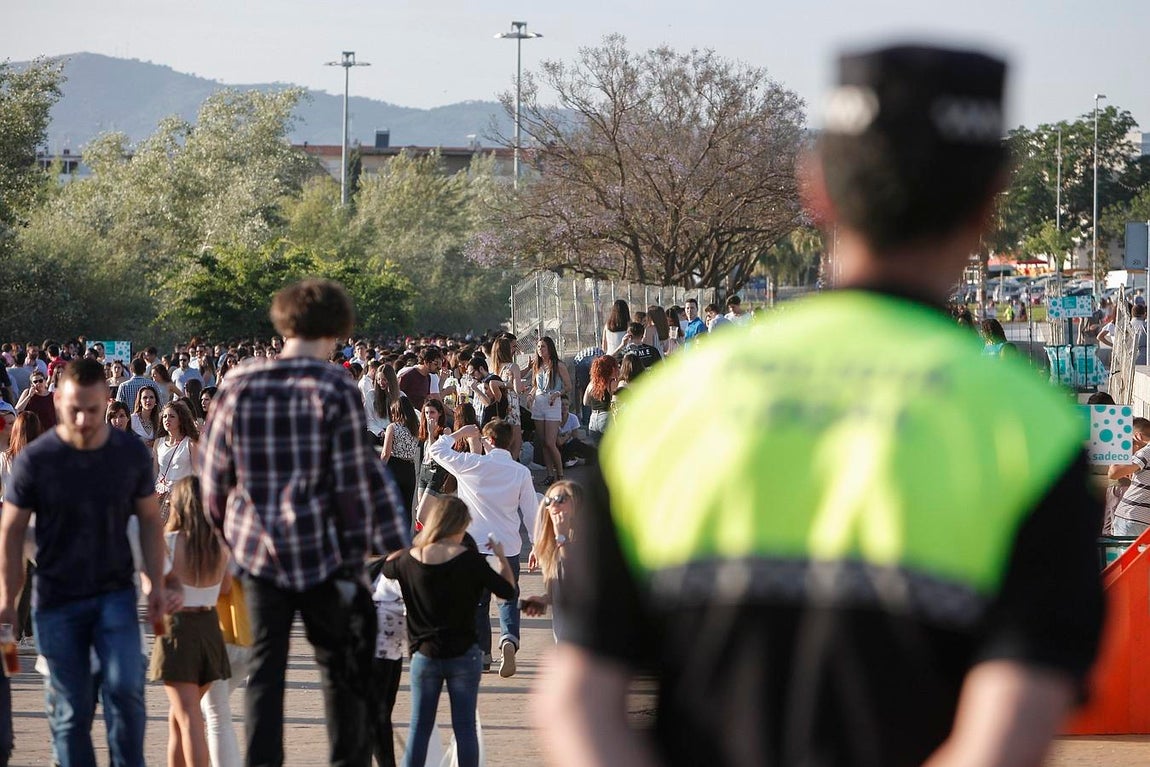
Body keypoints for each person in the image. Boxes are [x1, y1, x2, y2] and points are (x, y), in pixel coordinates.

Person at [541, 44, 1104, 767]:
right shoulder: (1035, 429)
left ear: (818, 190)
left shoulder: (675, 402)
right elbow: (1010, 729)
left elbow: (577, 695)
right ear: (991, 200)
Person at [200, 278, 408, 767]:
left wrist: (223, 539)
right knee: (339, 672)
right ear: (336, 329)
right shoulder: (336, 385)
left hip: (257, 552)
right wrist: (380, 546)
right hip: (324, 554)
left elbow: (214, 478)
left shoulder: (239, 383)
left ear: (284, 322)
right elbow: (354, 480)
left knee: (266, 673)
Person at [0, 358, 176, 767]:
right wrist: (8, 600)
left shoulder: (128, 454)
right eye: (73, 408)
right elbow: (10, 533)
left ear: (107, 402)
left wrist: (158, 578)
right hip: (56, 600)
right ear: (57, 399)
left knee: (127, 698)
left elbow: (150, 520)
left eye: (93, 410)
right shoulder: (36, 460)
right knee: (70, 712)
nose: (82, 419)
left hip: (115, 594)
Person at [381, 495, 516, 767]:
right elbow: (507, 591)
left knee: (419, 728)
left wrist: (406, 549)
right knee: (464, 727)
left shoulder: (408, 560)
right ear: (459, 526)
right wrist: (501, 558)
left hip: (424, 653)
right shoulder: (470, 561)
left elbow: (386, 568)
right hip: (464, 654)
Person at [428, 419, 536, 678]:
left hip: (474, 544)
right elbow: (531, 511)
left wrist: (459, 433)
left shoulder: (471, 464)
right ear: (510, 442)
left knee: (477, 602)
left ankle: (482, 653)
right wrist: (536, 544)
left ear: (487, 440)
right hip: (506, 545)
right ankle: (508, 639)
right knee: (507, 597)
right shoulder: (520, 472)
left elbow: (435, 451)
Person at [150, 477, 231, 767]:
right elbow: (226, 589)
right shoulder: (219, 545)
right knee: (180, 716)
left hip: (179, 628)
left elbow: (153, 585)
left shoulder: (169, 542)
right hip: (210, 626)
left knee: (188, 718)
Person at [521, 480, 582, 641]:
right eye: (549, 501)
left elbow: (577, 583)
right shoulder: (554, 546)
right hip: (564, 638)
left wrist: (562, 538)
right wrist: (544, 599)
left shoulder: (587, 542)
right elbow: (560, 589)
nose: (554, 505)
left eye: (561, 499)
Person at [530, 337, 573, 485]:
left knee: (550, 442)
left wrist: (557, 393)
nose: (540, 350)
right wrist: (530, 395)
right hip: (539, 403)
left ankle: (560, 474)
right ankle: (549, 474)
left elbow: (568, 386)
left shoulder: (558, 365)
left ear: (550, 349)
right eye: (539, 347)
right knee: (543, 442)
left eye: (543, 347)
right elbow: (535, 385)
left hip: (552, 403)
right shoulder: (537, 365)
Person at [1107, 417, 1150, 537]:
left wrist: (1119, 450)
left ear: (1138, 436)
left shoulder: (1146, 452)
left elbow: (1113, 473)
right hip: (1143, 520)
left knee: (1124, 554)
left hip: (1131, 517)